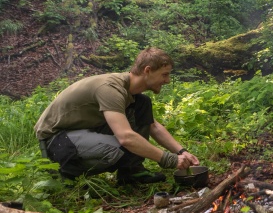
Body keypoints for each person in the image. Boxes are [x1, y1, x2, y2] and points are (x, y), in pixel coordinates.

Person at [34, 48, 200, 184]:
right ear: (147, 71)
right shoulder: (111, 90)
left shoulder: (132, 93)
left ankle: (131, 173)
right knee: (124, 147)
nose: (168, 80)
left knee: (142, 104)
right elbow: (126, 138)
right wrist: (169, 160)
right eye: (164, 75)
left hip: (82, 131)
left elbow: (153, 127)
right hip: (56, 141)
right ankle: (65, 174)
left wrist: (181, 152)